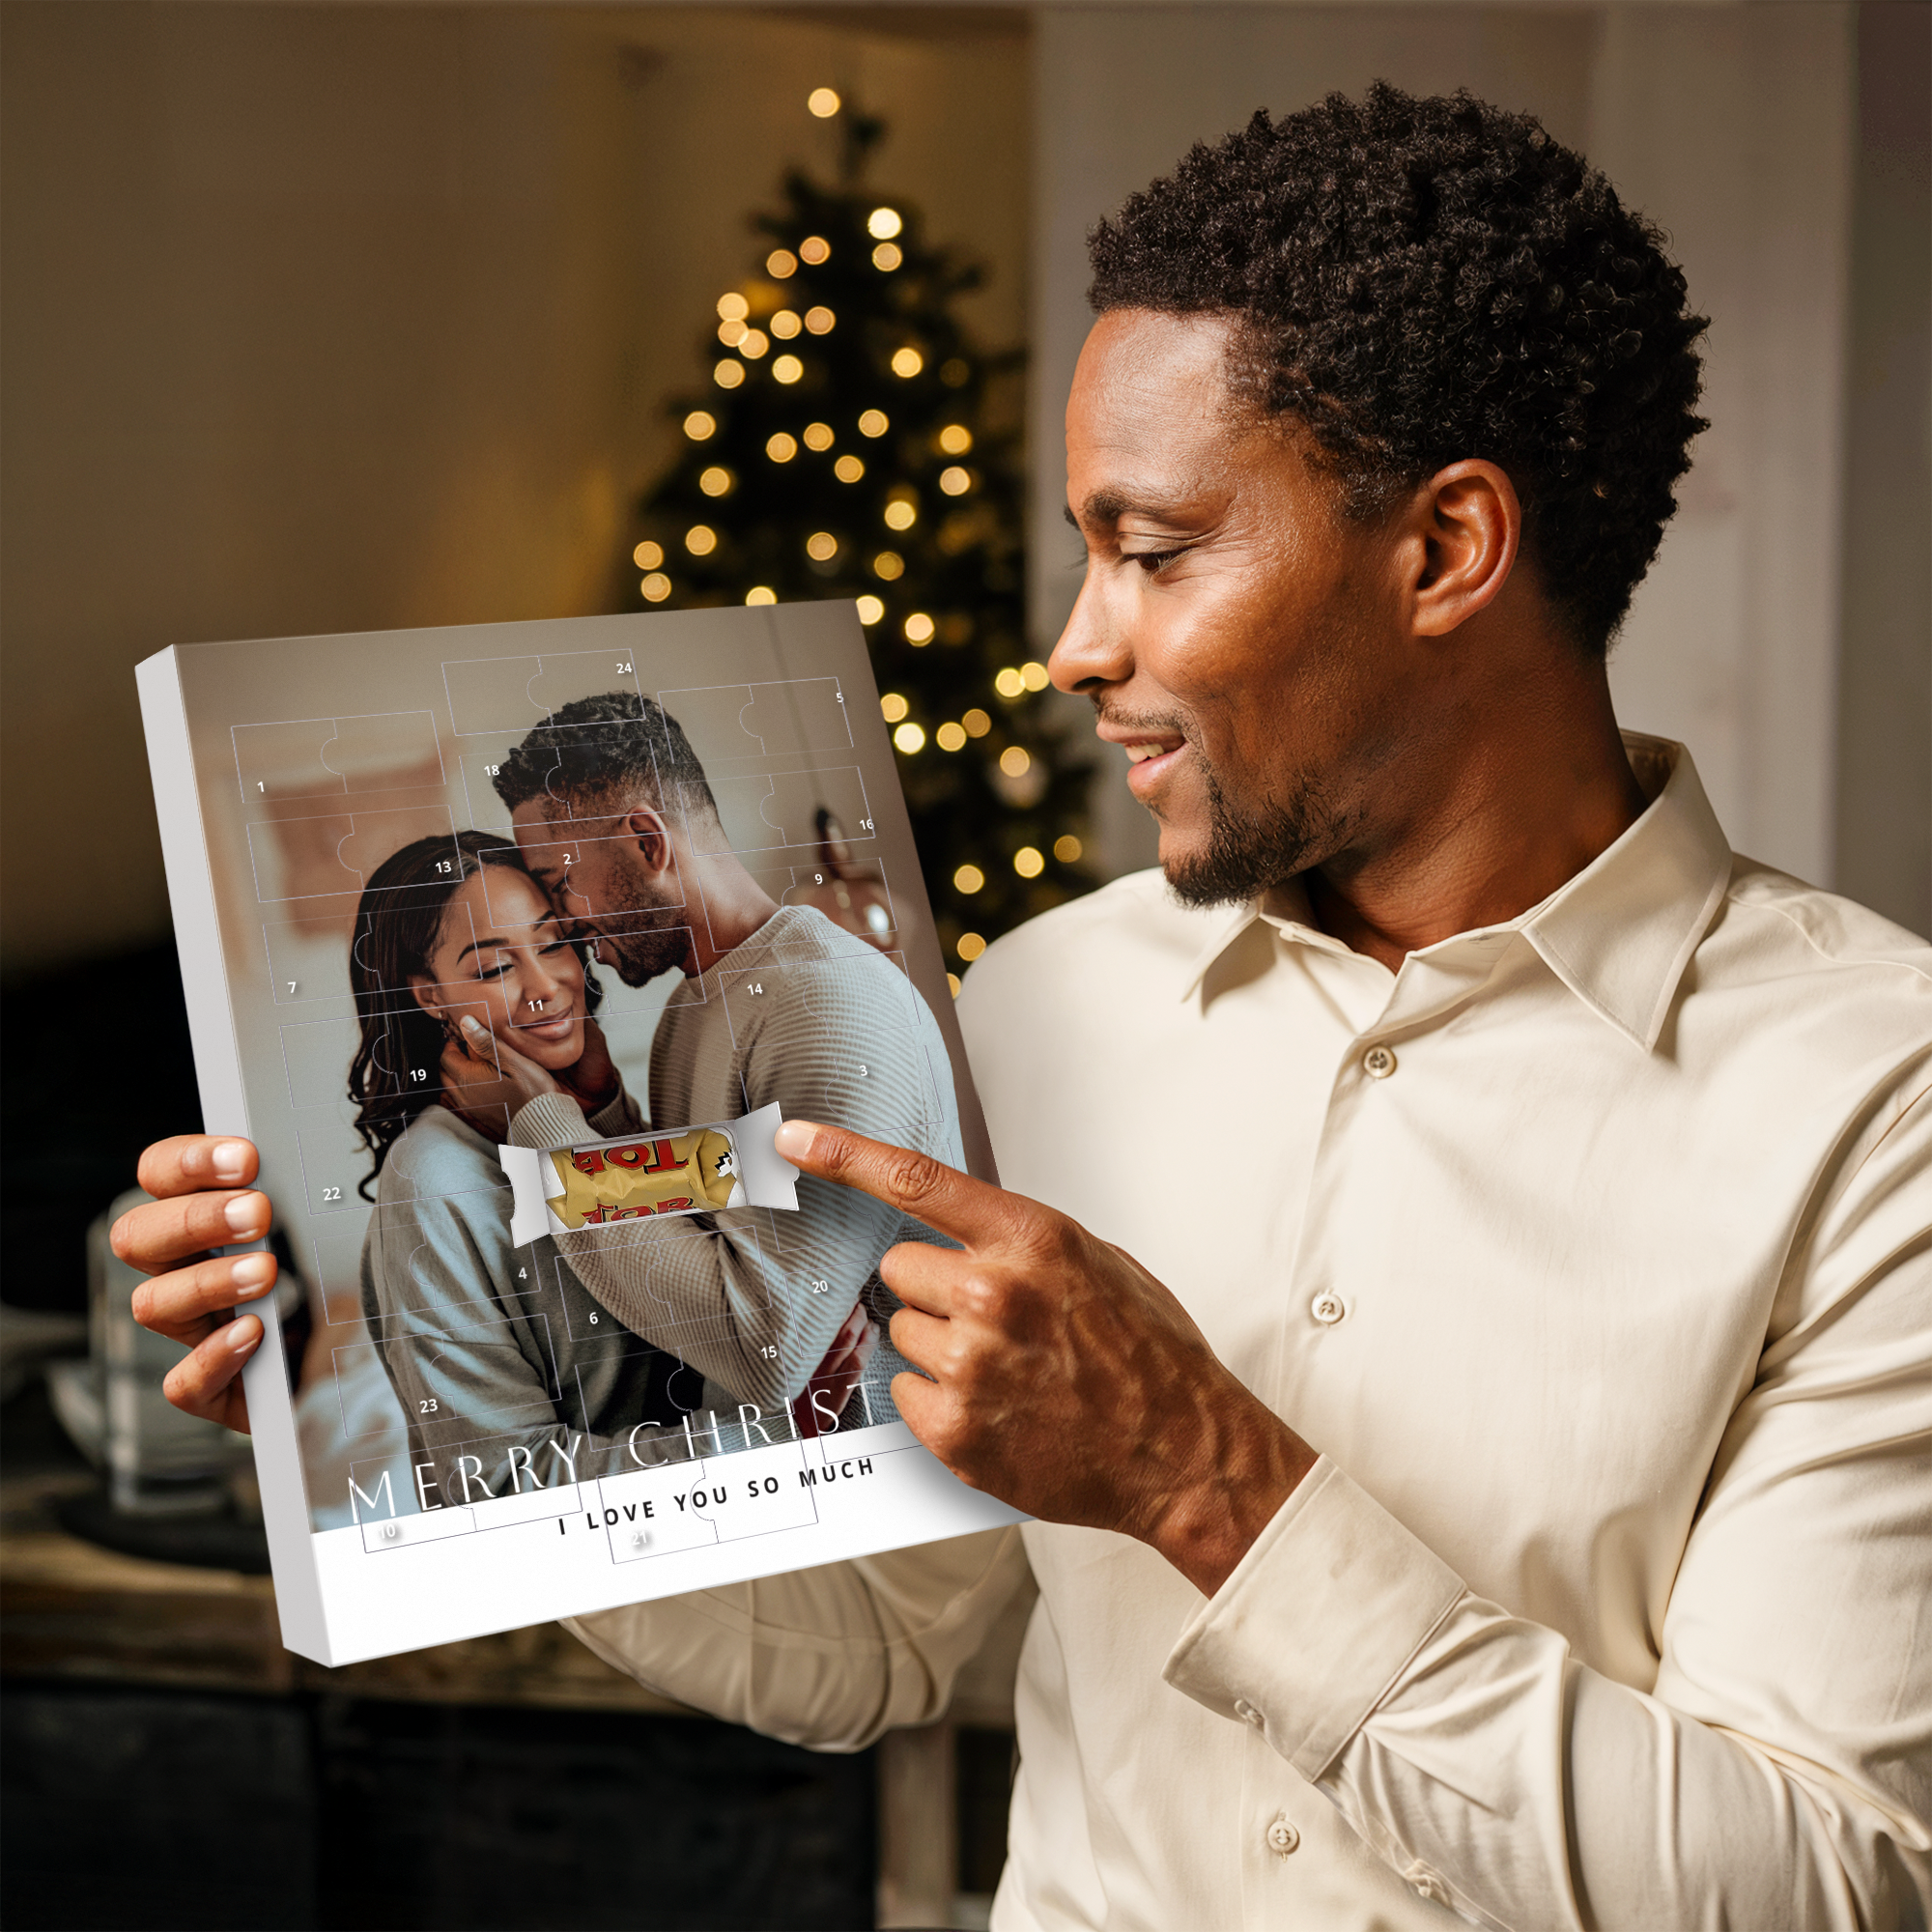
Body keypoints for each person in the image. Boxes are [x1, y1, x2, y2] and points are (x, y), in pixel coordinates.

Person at [118, 85, 1930, 1928]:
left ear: (1447, 549)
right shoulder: (1047, 1001)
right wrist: (377, 1430)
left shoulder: (1877, 1102)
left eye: (1155, 551)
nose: (1075, 646)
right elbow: (881, 1633)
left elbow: (1833, 1891)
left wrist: (1201, 1477)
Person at [477, 689, 965, 1423]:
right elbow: (714, 1214)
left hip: (894, 1478)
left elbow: (766, 1352)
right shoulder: (691, 1008)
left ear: (647, 842)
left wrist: (549, 1138)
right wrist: (604, 1114)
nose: (565, 925)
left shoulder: (824, 1006)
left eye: (561, 885)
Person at [341, 832, 873, 1501]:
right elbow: (503, 1484)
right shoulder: (431, 1187)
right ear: (430, 997)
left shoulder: (581, 1111)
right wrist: (763, 1436)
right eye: (494, 968)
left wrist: (607, 1119)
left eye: (552, 943)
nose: (547, 987)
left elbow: (711, 1240)